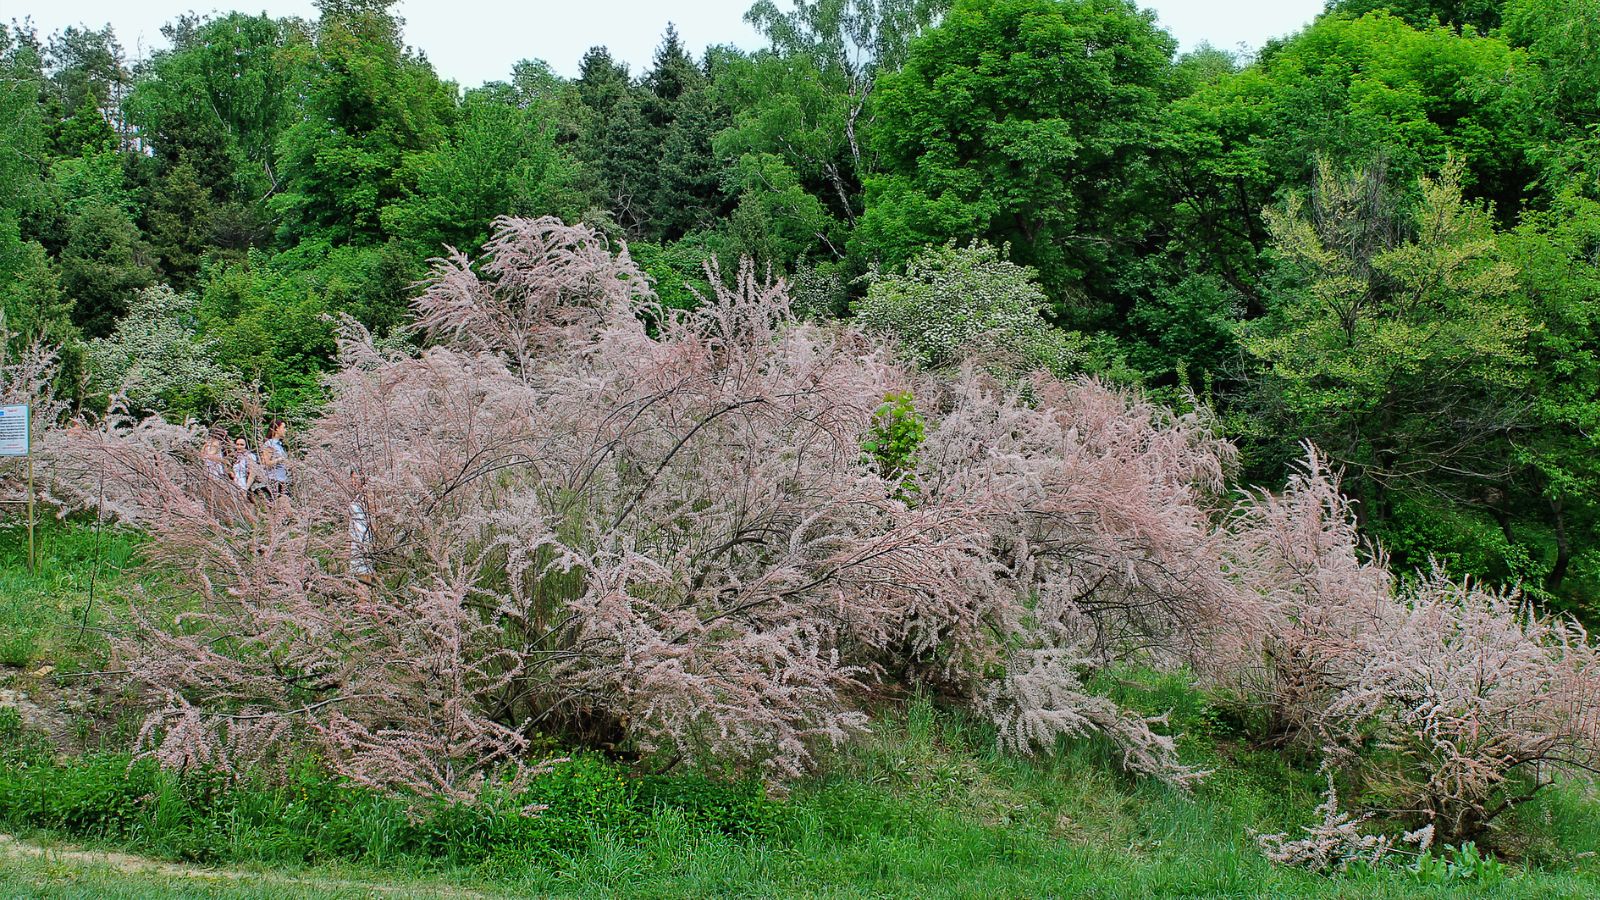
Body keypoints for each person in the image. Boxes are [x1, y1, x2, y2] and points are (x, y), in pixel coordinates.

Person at [348, 467, 375, 583]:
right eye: (352, 479)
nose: (353, 482)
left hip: (365, 538)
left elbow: (373, 518)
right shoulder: (357, 497)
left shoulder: (368, 496)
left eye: (356, 479)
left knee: (364, 572)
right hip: (355, 539)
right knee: (356, 574)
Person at [258, 419, 291, 501]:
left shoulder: (279, 445)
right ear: (277, 429)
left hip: (283, 481)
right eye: (283, 428)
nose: (285, 430)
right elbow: (265, 463)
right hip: (274, 481)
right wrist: (280, 459)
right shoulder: (270, 444)